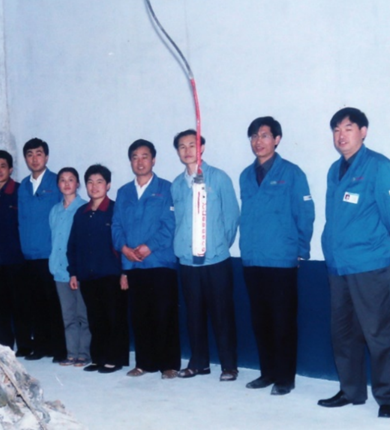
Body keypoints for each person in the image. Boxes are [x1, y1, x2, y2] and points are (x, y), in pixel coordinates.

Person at [318, 108, 390, 419]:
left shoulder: (380, 167)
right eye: (336, 130)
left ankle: (389, 397)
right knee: (343, 334)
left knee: (379, 333)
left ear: (363, 131)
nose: (341, 135)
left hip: (371, 264)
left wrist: (378, 243)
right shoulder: (334, 170)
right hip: (339, 266)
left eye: (348, 128)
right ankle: (351, 390)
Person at [239, 118, 315, 395]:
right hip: (252, 259)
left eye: (264, 135)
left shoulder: (292, 173)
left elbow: (305, 215)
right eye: (253, 136)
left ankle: (285, 378)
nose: (258, 141)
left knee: (283, 321)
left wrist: (301, 250)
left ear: (277, 139)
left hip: (281, 259)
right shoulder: (246, 175)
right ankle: (268, 372)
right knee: (260, 321)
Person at [171, 130, 240, 381]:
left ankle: (229, 365)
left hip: (215, 260)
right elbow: (179, 221)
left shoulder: (218, 178)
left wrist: (217, 245)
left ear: (202, 148)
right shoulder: (177, 185)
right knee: (193, 314)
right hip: (187, 261)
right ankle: (199, 363)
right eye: (182, 146)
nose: (187, 150)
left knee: (222, 314)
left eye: (192, 145)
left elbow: (231, 217)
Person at [112, 139, 181, 379]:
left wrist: (149, 247)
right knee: (140, 315)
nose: (140, 162)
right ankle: (144, 363)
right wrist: (124, 249)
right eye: (135, 157)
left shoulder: (166, 188)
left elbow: (170, 224)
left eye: (144, 156)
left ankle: (168, 364)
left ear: (153, 160)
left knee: (164, 314)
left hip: (160, 262)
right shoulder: (124, 192)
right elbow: (116, 226)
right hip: (133, 264)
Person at [68, 165, 129, 373]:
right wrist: (73, 272)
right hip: (88, 274)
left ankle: (115, 359)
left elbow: (123, 242)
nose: (94, 186)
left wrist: (125, 272)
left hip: (111, 274)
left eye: (99, 182)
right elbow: (73, 245)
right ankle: (98, 357)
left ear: (108, 185)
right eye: (90, 182)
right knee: (95, 318)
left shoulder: (115, 210)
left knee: (114, 318)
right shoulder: (81, 213)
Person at [17, 138, 65, 362]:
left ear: (46, 156)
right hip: (28, 254)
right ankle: (41, 346)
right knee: (34, 303)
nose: (34, 158)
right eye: (30, 154)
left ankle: (58, 348)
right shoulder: (23, 186)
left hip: (50, 253)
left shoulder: (56, 182)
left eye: (38, 153)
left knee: (54, 303)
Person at [0, 150, 29, 354]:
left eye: (3, 166)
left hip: (16, 258)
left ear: (10, 169)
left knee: (20, 304)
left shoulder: (20, 191)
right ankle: (4, 345)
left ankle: (25, 345)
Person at [49, 167, 91, 367]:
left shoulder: (84, 208)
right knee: (68, 316)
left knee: (83, 315)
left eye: (71, 179)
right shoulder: (54, 211)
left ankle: (84, 353)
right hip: (59, 270)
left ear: (78, 184)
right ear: (58, 184)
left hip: (78, 271)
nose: (67, 184)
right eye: (63, 180)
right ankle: (71, 353)